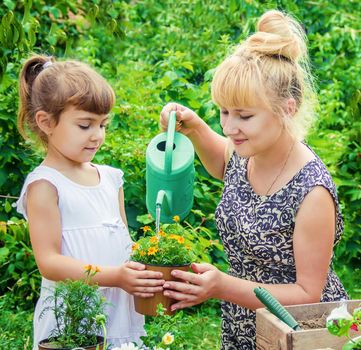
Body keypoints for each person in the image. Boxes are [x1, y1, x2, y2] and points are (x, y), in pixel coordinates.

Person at [159, 10, 348, 350]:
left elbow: (308, 294)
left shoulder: (311, 191)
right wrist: (195, 127)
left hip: (297, 332)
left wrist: (221, 286)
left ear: (287, 109)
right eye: (224, 111)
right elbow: (223, 163)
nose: (229, 128)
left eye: (244, 116)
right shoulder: (245, 150)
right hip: (242, 322)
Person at [16, 55, 165, 349]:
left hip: (118, 314)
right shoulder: (45, 185)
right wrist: (115, 277)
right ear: (46, 122)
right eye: (85, 125)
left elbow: (125, 245)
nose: (97, 136)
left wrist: (147, 270)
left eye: (102, 125)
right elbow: (49, 262)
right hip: (73, 318)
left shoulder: (111, 180)